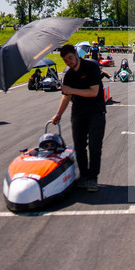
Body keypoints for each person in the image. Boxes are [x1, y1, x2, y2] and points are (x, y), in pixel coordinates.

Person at [51, 44, 106, 192]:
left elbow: (94, 92)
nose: (69, 62)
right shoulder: (68, 75)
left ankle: (93, 178)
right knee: (79, 147)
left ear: (76, 53)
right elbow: (66, 96)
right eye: (65, 60)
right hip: (78, 112)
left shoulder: (91, 67)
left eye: (70, 58)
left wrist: (71, 90)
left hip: (96, 111)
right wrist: (58, 114)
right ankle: (84, 176)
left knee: (95, 146)